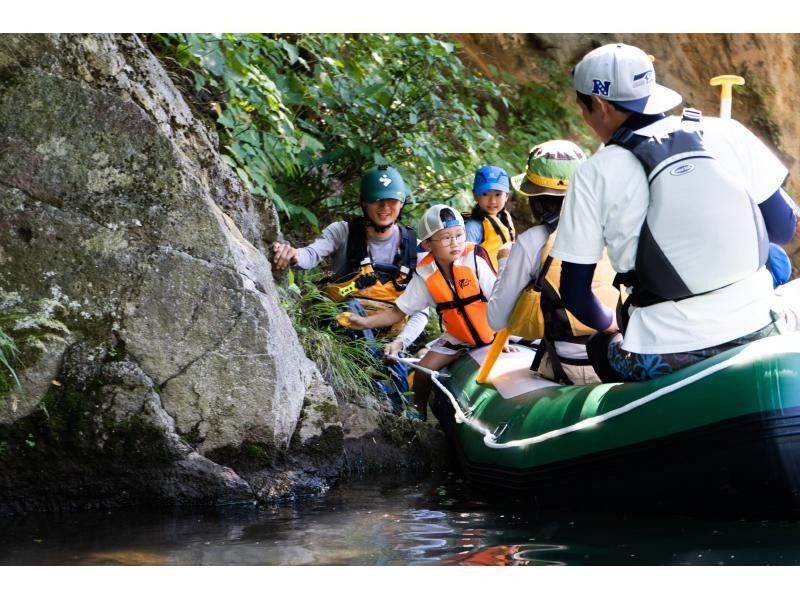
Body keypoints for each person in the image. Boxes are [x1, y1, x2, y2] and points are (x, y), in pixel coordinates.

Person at [549, 42, 798, 382]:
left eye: (584, 110)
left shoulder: (594, 172)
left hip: (660, 353)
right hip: (761, 325)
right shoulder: (726, 132)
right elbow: (783, 230)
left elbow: (575, 295)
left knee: (599, 347)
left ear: (598, 104)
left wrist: (611, 327)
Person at [271, 164, 429, 405]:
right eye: (377, 201)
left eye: (391, 201)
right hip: (342, 332)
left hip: (389, 344)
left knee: (397, 390)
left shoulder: (414, 249)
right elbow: (310, 255)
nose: (385, 208)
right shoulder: (343, 232)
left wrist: (400, 343)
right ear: (364, 203)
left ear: (402, 203)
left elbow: (421, 311)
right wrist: (292, 254)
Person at [342, 205, 502, 420]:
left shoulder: (474, 257)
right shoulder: (426, 273)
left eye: (459, 235)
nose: (455, 243)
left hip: (493, 330)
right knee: (424, 371)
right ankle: (419, 416)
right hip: (458, 337)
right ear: (427, 244)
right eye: (445, 238)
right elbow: (397, 312)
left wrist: (503, 335)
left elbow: (499, 300)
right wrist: (363, 322)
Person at [487, 139, 619, 384]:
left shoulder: (530, 242)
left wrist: (505, 262)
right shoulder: (614, 228)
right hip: (622, 358)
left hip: (570, 367)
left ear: (534, 198)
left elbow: (496, 320)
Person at [464, 165, 515, 271]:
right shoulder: (473, 227)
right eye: (485, 194)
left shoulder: (503, 219)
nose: (492, 201)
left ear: (506, 196)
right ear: (475, 196)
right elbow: (464, 263)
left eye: (497, 194)